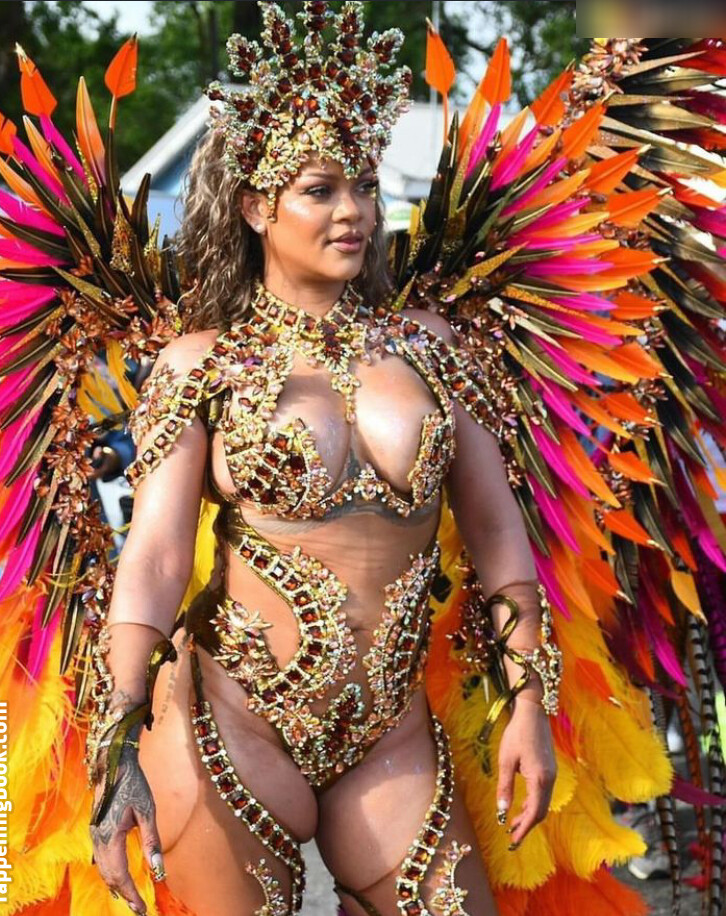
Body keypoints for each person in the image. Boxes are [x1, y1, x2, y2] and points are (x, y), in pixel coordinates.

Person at [84, 5, 559, 915]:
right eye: (319, 189)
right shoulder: (202, 363)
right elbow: (155, 555)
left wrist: (527, 703)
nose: (353, 212)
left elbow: (500, 535)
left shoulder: (429, 347)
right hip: (230, 728)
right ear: (256, 206)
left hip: (393, 734)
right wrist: (117, 740)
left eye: (365, 186)